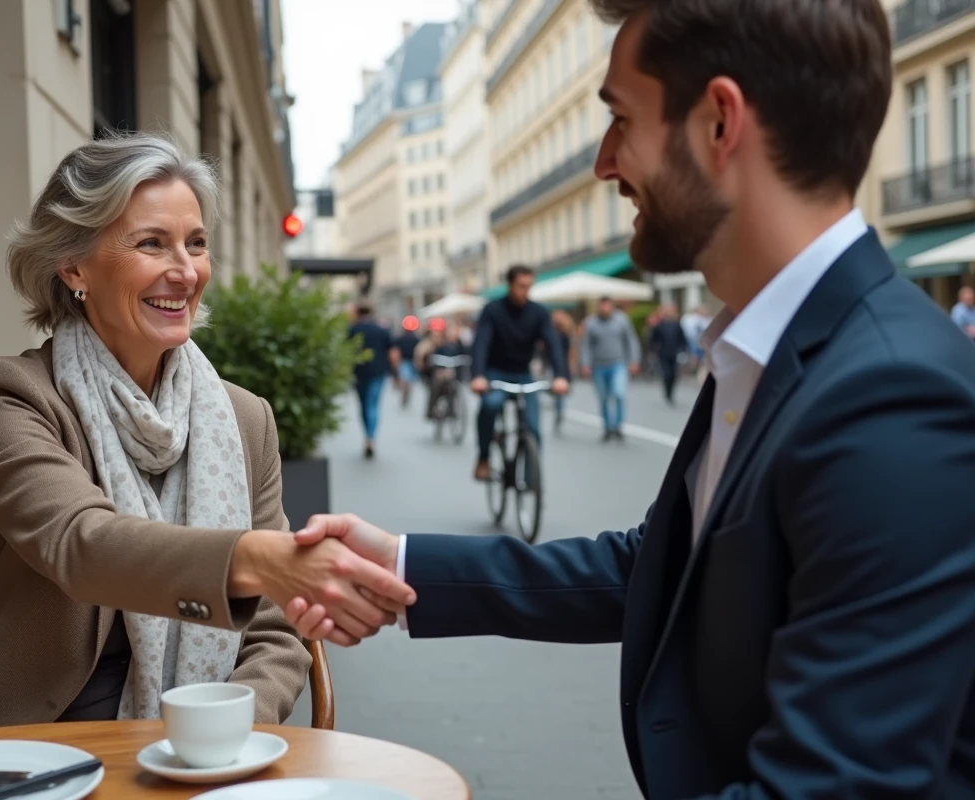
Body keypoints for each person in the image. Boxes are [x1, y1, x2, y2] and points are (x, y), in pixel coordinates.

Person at [284, 2, 975, 797]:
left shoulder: (891, 400)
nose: (604, 162)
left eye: (621, 119)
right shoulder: (773, 347)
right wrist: (399, 566)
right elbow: (659, 568)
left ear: (720, 122)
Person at [0, 134, 415, 739]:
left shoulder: (247, 420)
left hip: (194, 749)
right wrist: (256, 559)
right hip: (22, 744)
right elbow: (82, 545)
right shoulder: (11, 395)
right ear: (73, 266)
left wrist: (224, 728)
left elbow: (275, 633)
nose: (186, 271)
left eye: (196, 243)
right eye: (151, 244)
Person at [469, 265, 570, 480]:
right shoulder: (493, 310)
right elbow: (481, 344)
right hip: (496, 373)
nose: (525, 291)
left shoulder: (539, 313)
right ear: (510, 285)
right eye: (520, 286)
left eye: (529, 287)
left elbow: (553, 344)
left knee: (533, 426)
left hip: (524, 375)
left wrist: (561, 375)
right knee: (490, 405)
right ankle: (484, 457)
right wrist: (478, 375)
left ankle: (531, 481)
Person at [580, 297, 641, 441]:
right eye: (602, 307)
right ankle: (607, 427)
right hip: (599, 365)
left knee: (619, 394)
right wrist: (585, 364)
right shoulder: (591, 323)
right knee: (603, 397)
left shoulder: (622, 320)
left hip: (618, 363)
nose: (605, 309)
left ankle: (618, 426)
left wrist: (634, 360)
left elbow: (631, 341)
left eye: (607, 306)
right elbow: (585, 345)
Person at [349, 300, 400, 459]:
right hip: (378, 373)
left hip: (359, 373)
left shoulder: (352, 330)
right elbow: (392, 354)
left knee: (364, 405)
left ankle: (368, 435)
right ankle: (370, 437)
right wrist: (396, 374)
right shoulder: (381, 330)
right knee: (373, 404)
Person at [648, 304, 688, 405]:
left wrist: (683, 349)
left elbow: (682, 339)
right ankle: (666, 392)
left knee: (673, 375)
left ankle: (670, 393)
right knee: (667, 374)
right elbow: (653, 339)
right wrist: (654, 349)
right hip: (663, 354)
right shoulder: (659, 325)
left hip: (674, 353)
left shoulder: (677, 325)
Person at [392, 319, 421, 404]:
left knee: (406, 380)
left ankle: (405, 393)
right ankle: (406, 393)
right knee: (408, 380)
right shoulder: (416, 338)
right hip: (410, 361)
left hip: (405, 361)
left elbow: (396, 351)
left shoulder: (400, 338)